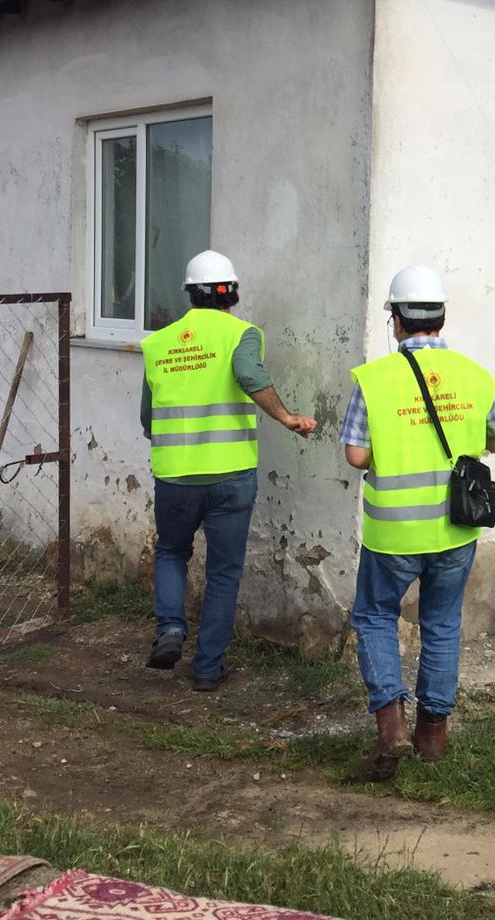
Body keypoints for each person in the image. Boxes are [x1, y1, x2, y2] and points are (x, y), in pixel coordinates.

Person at [341, 264, 495, 781]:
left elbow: (356, 456)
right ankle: (433, 736)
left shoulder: (372, 380)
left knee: (376, 617)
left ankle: (391, 726)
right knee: (441, 624)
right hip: (454, 531)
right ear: (442, 317)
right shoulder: (475, 374)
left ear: (396, 320)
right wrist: (474, 442)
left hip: (393, 532)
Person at [140, 249, 318, 690]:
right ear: (232, 293)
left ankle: (171, 630)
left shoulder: (158, 343)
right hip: (230, 476)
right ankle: (206, 669)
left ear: (189, 295)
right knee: (223, 570)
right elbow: (248, 374)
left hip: (175, 475)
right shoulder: (243, 335)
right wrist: (287, 417)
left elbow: (148, 418)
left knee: (171, 552)